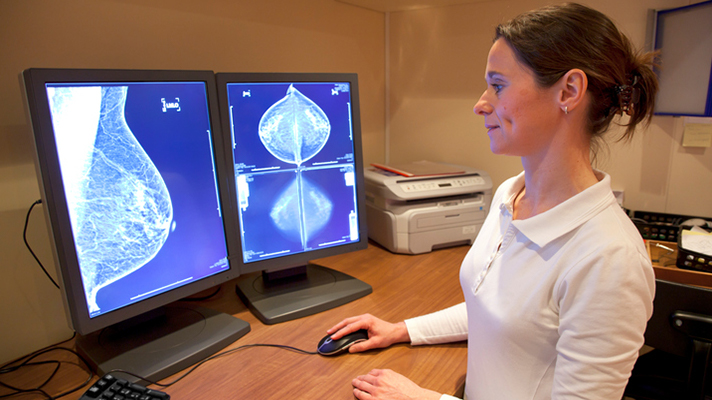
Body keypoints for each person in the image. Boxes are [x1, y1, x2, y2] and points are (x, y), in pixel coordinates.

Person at [327, 3, 658, 400]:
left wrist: (424, 399)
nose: (480, 103)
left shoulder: (609, 259)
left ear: (569, 91)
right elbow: (499, 314)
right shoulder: (509, 195)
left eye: (498, 85)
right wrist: (402, 329)